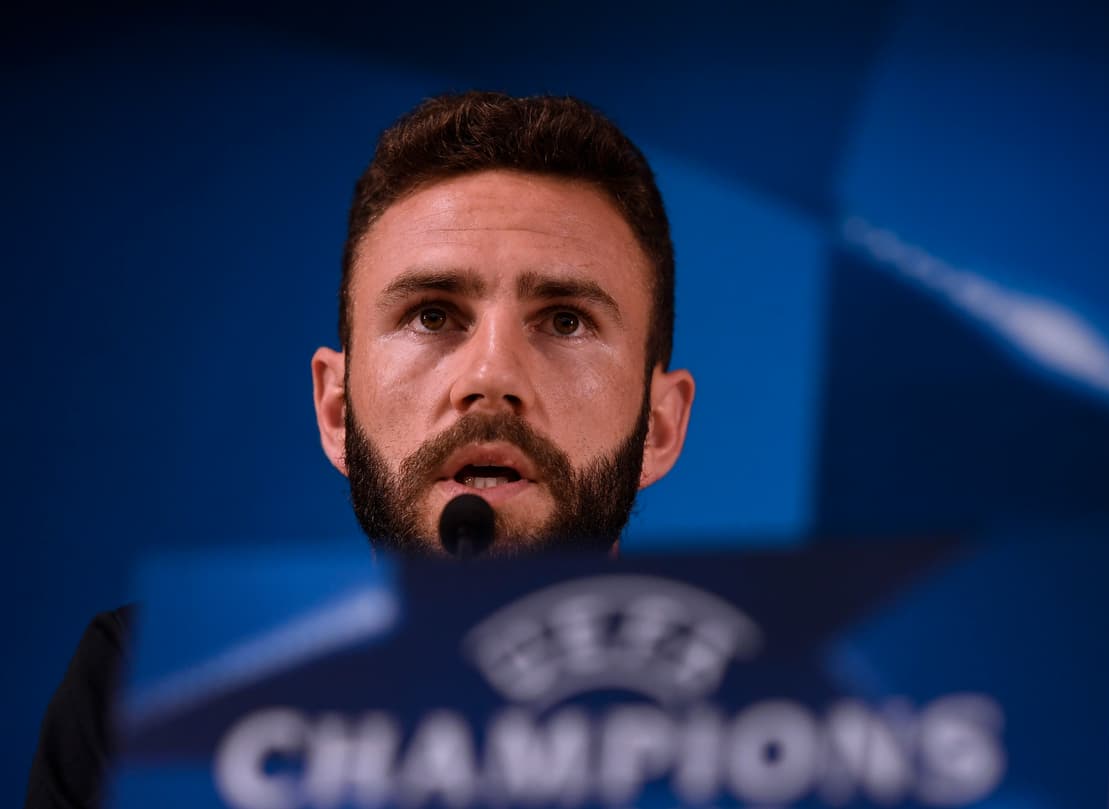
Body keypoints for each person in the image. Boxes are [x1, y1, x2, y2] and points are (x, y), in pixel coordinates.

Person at [26, 91, 695, 808]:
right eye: (432, 315)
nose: (492, 375)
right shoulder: (156, 689)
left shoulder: (787, 714)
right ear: (337, 409)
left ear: (658, 425)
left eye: (565, 321)